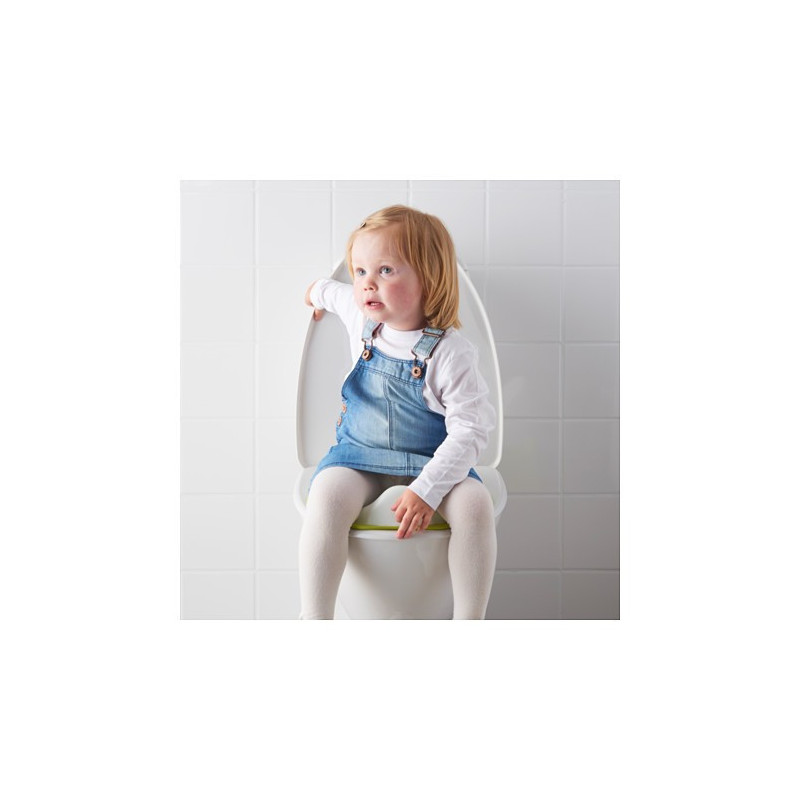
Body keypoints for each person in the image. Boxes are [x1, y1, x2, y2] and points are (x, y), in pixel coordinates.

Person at [298, 205, 497, 619]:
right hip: (360, 459)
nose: (367, 283)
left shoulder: (451, 353)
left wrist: (428, 489)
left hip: (431, 462)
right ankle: (315, 619)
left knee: (475, 504)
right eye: (360, 271)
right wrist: (315, 293)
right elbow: (330, 291)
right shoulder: (361, 316)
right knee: (326, 495)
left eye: (385, 270)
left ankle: (469, 621)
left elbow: (470, 431)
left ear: (430, 278)